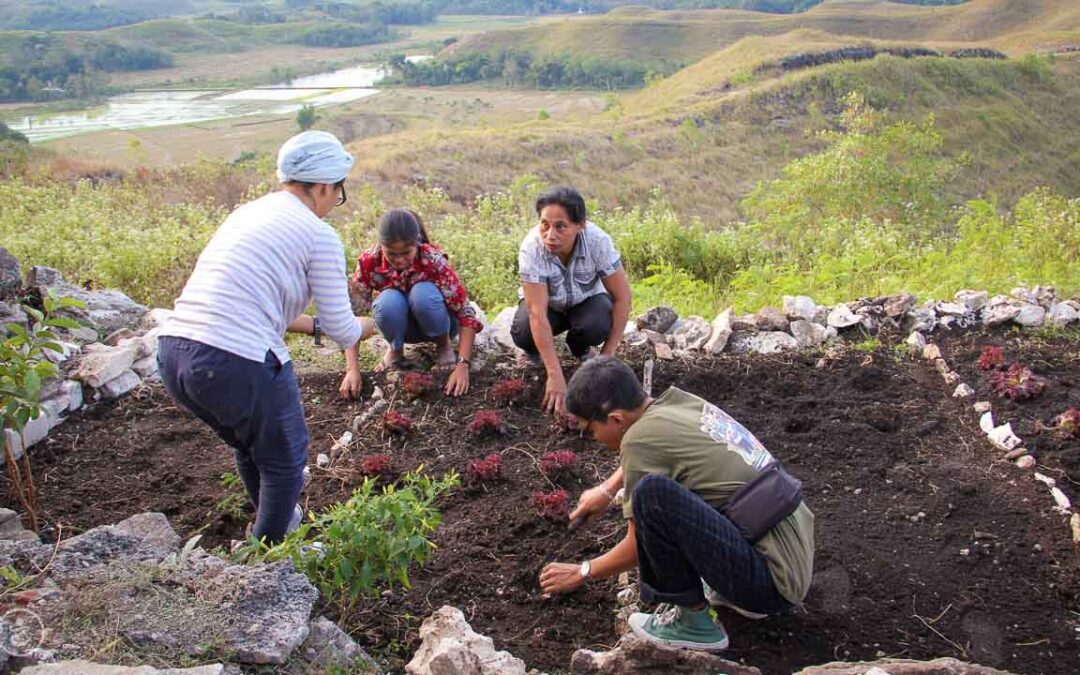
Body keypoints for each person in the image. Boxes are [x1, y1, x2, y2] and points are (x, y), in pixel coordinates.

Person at [157, 130, 368, 544]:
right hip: (235, 359)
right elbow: (345, 330)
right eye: (337, 192)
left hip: (174, 353)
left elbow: (258, 301)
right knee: (286, 460)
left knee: (251, 444)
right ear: (325, 185)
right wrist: (373, 323)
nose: (334, 202)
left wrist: (318, 326)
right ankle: (271, 556)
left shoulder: (249, 214)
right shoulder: (317, 233)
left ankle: (280, 526)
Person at [539, 357, 814, 652]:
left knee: (652, 496)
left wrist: (582, 571)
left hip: (772, 584)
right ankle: (733, 587)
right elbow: (655, 450)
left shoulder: (637, 441)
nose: (591, 438)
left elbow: (636, 547)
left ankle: (693, 622)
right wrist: (606, 490)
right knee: (674, 488)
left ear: (616, 419)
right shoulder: (679, 404)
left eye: (590, 430)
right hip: (792, 552)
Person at [511, 187, 631, 414]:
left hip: (586, 301)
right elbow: (537, 312)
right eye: (544, 224)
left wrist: (606, 361)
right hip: (550, 307)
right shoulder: (531, 248)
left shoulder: (598, 242)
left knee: (595, 326)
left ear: (580, 225)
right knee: (523, 331)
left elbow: (622, 298)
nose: (550, 235)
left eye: (561, 226)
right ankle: (536, 353)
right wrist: (554, 375)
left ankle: (582, 349)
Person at [351, 208, 482, 396]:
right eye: (391, 254)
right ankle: (396, 349)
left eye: (406, 253)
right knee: (387, 301)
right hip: (403, 329)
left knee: (422, 293)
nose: (399, 260)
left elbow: (465, 313)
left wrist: (463, 365)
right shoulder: (369, 261)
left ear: (417, 243)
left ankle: (443, 345)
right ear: (381, 245)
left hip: (440, 323)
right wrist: (352, 369)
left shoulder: (432, 260)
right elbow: (353, 316)